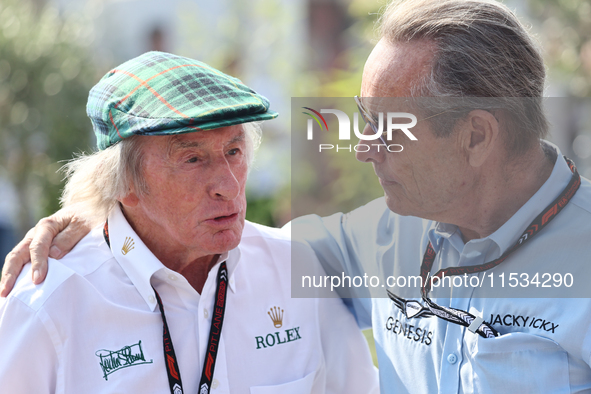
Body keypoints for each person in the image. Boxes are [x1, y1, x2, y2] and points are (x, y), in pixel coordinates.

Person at [5, 0, 591, 392]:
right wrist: (90, 210)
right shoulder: (373, 241)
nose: (363, 149)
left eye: (389, 127)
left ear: (476, 135)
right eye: (361, 121)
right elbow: (154, 223)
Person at [0, 51, 378, 394]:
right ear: (125, 183)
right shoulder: (48, 306)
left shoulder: (297, 270)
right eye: (192, 159)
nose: (229, 186)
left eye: (234, 151)